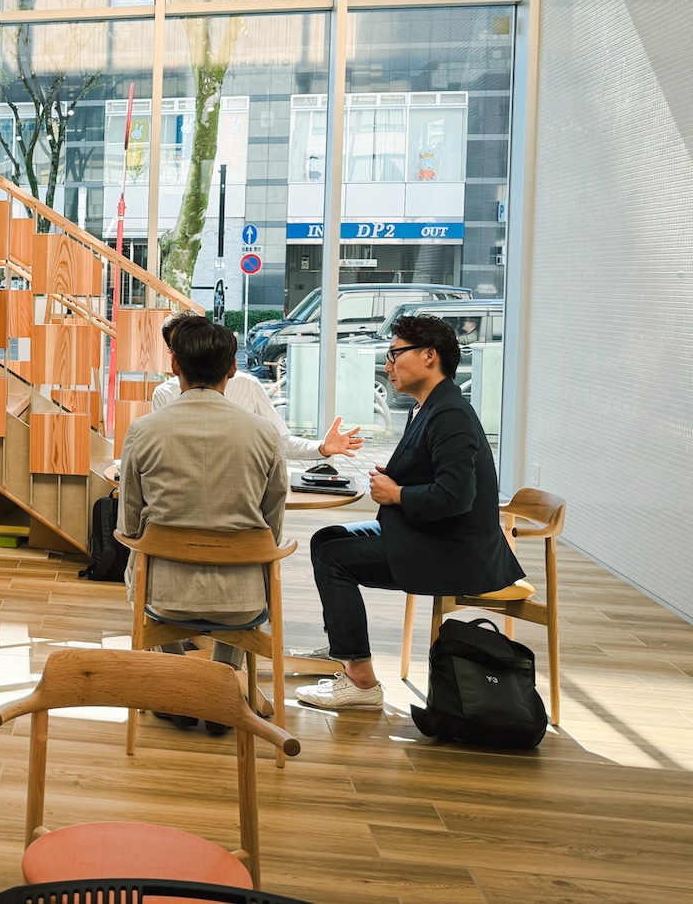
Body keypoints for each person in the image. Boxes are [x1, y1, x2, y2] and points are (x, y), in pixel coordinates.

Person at [295, 314, 522, 711]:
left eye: (394, 354)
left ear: (429, 355)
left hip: (451, 551)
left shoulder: (449, 414)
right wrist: (399, 478)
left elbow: (457, 497)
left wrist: (397, 493)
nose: (388, 366)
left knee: (334, 559)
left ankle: (361, 682)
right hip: (432, 536)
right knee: (326, 539)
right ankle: (345, 648)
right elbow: (438, 474)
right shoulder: (431, 407)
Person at [120, 316, 287, 732]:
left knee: (137, 561)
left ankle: (180, 683)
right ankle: (223, 683)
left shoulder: (143, 431)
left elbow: (130, 524)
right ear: (232, 368)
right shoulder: (264, 434)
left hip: (165, 594)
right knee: (256, 560)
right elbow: (272, 528)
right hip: (244, 599)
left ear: (174, 364)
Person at [153, 312, 362, 462]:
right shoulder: (164, 394)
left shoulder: (247, 385)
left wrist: (321, 448)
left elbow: (278, 442)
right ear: (172, 357)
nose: (193, 350)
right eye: (181, 346)